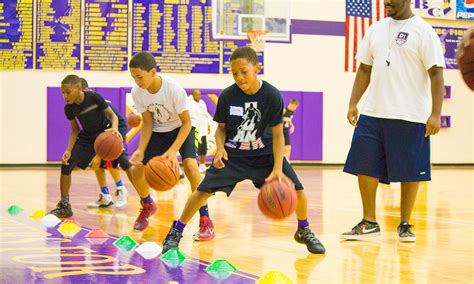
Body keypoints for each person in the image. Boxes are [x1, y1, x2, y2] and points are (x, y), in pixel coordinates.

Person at [161, 46, 326, 254]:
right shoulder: (228, 96)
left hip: (265, 155)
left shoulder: (272, 95)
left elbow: (277, 135)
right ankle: (176, 231)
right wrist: (220, 148)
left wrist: (277, 168)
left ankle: (304, 230)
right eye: (234, 73)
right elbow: (220, 129)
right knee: (201, 192)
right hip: (233, 155)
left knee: (298, 191)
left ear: (257, 68)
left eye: (243, 72)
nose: (239, 77)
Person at [340, 0, 445, 242]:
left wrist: (435, 113)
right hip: (373, 112)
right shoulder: (375, 29)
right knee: (364, 165)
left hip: (410, 114)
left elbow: (437, 73)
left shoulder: (424, 31)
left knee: (410, 172)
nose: (387, 2)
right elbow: (364, 69)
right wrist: (353, 102)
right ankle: (369, 222)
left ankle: (405, 223)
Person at [128, 51, 215, 239]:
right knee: (136, 170)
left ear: (153, 72)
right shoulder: (138, 92)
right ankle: (147, 204)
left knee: (192, 168)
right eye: (134, 77)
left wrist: (173, 151)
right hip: (159, 132)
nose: (137, 81)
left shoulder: (173, 89)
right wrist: (141, 150)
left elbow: (187, 124)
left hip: (181, 129)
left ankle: (205, 219)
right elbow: (148, 123)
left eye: (140, 77)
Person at [50, 75, 135, 218]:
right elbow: (75, 130)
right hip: (88, 135)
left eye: (68, 92)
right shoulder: (69, 108)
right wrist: (68, 150)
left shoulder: (94, 97)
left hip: (105, 131)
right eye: (62, 93)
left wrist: (114, 130)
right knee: (66, 165)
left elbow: (113, 116)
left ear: (79, 88)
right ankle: (65, 205)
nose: (65, 96)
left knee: (123, 162)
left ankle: (144, 199)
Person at [79, 78, 129, 209]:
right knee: (96, 163)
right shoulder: (82, 106)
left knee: (111, 159)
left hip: (115, 128)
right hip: (102, 132)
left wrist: (99, 155)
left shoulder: (96, 103)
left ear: (84, 90)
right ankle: (105, 197)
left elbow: (113, 122)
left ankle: (121, 190)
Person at [188, 89, 213, 172]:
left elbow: (205, 114)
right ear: (193, 95)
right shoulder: (189, 104)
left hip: (204, 129)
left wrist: (208, 125)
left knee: (204, 149)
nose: (199, 96)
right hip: (196, 129)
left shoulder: (202, 102)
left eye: (199, 94)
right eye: (197, 95)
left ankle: (202, 165)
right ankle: (195, 166)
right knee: (195, 150)